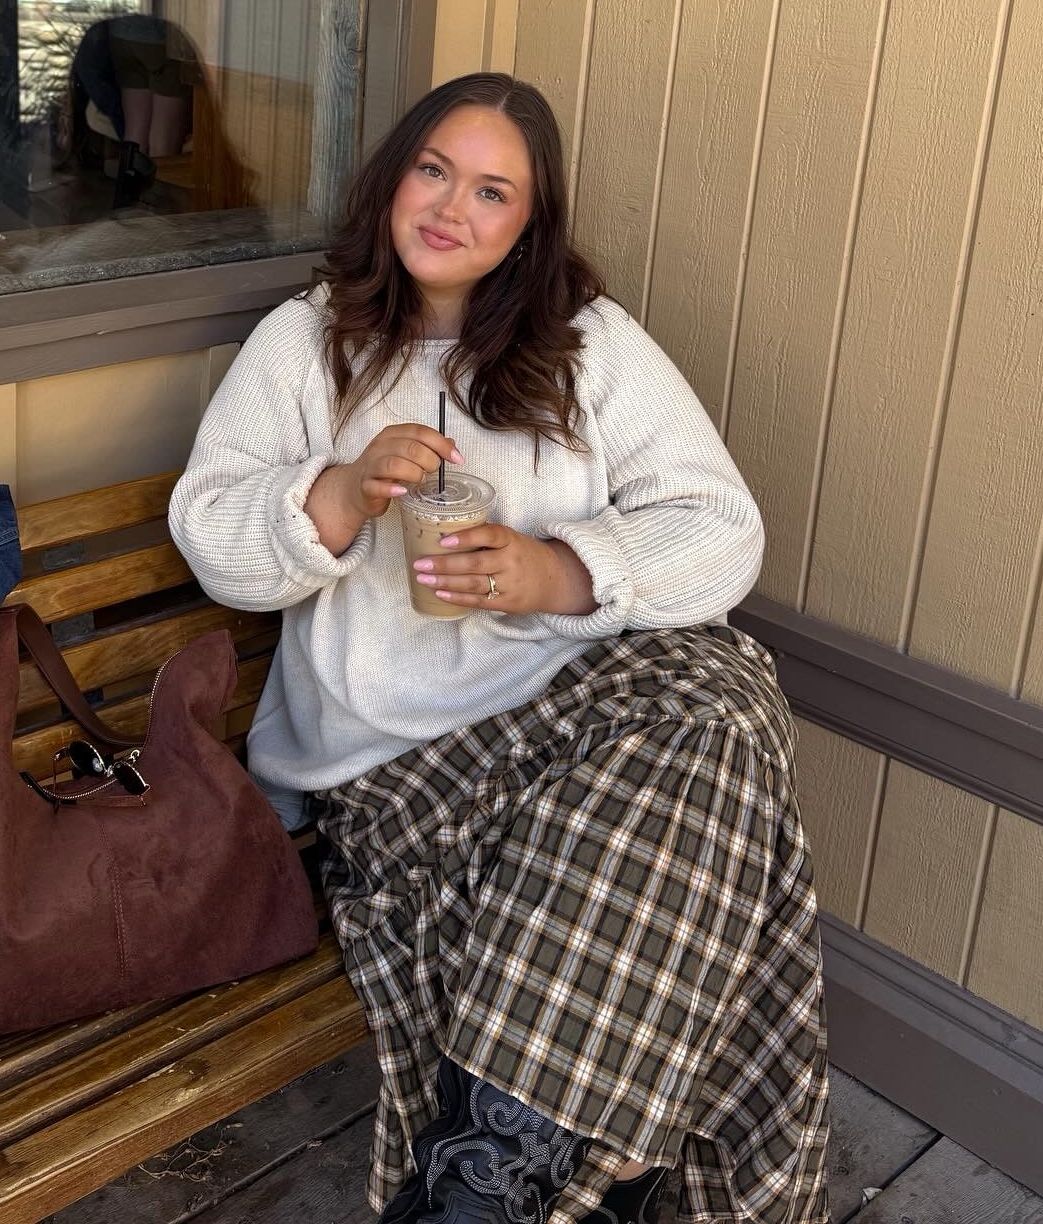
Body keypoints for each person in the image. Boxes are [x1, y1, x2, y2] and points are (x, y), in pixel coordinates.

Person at [168, 73, 829, 1224]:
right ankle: (525, 1183)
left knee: (721, 690)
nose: (451, 209)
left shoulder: (588, 348)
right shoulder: (308, 343)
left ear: (530, 224)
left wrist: (560, 572)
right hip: (391, 775)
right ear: (392, 179)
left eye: (492, 191)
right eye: (433, 171)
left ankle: (484, 1189)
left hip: (585, 755)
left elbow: (722, 531)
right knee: (706, 820)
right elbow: (218, 538)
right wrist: (341, 492)